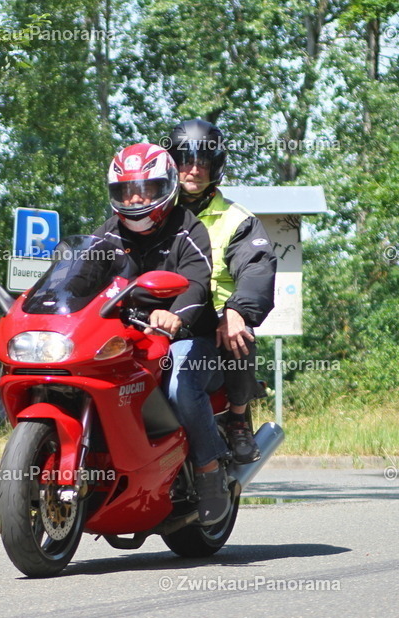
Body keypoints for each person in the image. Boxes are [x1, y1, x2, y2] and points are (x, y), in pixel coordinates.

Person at [92, 142, 231, 525]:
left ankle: (209, 471)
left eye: (146, 189)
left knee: (179, 384)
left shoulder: (188, 228)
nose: (135, 199)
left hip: (189, 340)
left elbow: (197, 283)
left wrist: (173, 316)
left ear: (166, 187)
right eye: (126, 191)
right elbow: (78, 275)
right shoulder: (107, 235)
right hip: (129, 338)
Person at [164, 120, 277, 464]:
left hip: (214, 322)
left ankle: (237, 418)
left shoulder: (237, 220)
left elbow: (257, 267)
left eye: (204, 162)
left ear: (216, 167)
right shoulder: (152, 213)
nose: (194, 169)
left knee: (237, 334)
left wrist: (238, 309)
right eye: (186, 160)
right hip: (161, 317)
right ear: (171, 164)